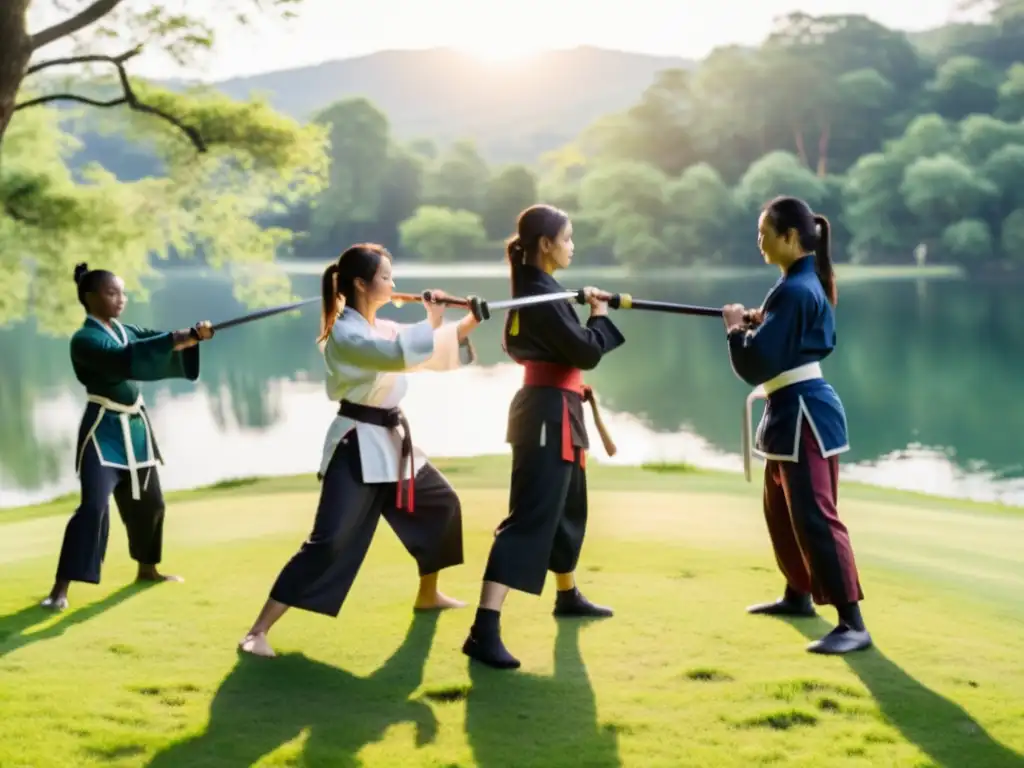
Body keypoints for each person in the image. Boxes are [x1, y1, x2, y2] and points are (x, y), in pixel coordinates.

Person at [239, 243, 480, 658]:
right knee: (328, 541)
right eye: (386, 277)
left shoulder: (381, 326)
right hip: (355, 444)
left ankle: (428, 593)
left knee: (441, 503)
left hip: (392, 440)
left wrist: (472, 317)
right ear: (360, 283)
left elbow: (430, 349)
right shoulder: (345, 334)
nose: (393, 283)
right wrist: (433, 316)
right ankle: (256, 632)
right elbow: (398, 356)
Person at [461, 204, 626, 670]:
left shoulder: (539, 292)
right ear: (546, 244)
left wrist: (580, 312)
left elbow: (553, 348)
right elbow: (584, 352)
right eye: (568, 238)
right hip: (547, 417)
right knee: (530, 518)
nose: (573, 246)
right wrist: (597, 313)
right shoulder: (538, 295)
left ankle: (567, 595)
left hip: (558, 408)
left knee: (568, 509)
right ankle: (483, 630)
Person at [722, 195, 871, 655]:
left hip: (804, 413)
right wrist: (757, 325)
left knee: (815, 516)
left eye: (764, 233)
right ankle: (798, 594)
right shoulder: (797, 284)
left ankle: (852, 622)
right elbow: (777, 342)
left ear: (789, 237)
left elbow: (756, 364)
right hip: (790, 410)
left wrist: (735, 330)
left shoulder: (794, 288)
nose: (759, 241)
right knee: (782, 512)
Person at [41, 263, 215, 611]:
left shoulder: (125, 329)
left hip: (135, 431)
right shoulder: (85, 339)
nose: (120, 299)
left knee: (150, 505)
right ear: (90, 298)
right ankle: (60, 589)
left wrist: (191, 336)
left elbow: (153, 341)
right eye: (111, 292)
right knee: (93, 508)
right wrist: (179, 338)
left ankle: (147, 570)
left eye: (122, 292)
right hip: (102, 431)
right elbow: (126, 359)